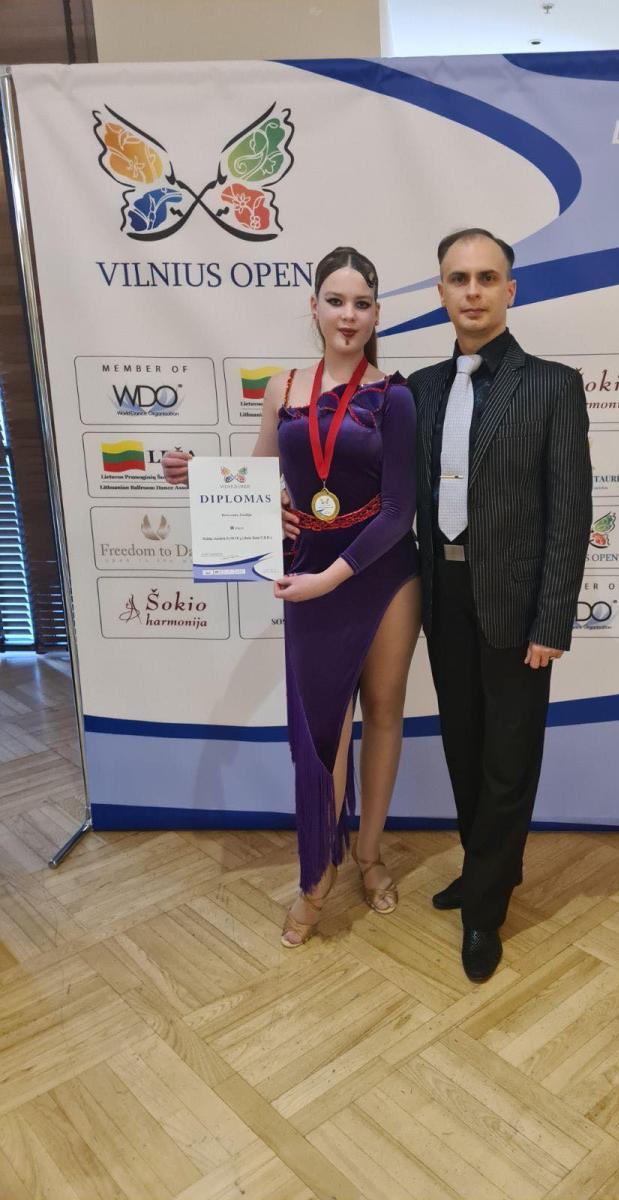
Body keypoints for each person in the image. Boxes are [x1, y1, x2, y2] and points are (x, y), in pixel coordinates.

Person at [162, 247, 420, 946]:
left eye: (361, 303)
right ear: (314, 307)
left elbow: (399, 510)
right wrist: (200, 476)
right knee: (321, 731)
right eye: (336, 300)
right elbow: (257, 477)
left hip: (382, 572)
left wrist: (331, 577)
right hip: (308, 571)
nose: (348, 315)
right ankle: (317, 877)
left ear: (376, 314)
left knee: (384, 715)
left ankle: (369, 855)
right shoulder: (283, 388)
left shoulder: (395, 396)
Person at [407, 228, 592, 982]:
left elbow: (570, 514)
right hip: (441, 594)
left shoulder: (552, 385)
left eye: (487, 278)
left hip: (517, 606)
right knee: (463, 747)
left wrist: (552, 620)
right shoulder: (417, 389)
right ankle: (484, 865)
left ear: (510, 291)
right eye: (460, 278)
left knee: (509, 760)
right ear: (441, 292)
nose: (473, 291)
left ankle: (485, 910)